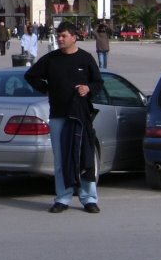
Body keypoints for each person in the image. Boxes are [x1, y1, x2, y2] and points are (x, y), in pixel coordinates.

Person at [25, 21, 103, 214]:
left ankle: (89, 198)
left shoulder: (85, 59)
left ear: (74, 37)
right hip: (59, 116)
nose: (60, 39)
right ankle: (63, 198)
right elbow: (31, 75)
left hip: (81, 116)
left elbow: (99, 82)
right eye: (58, 36)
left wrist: (88, 88)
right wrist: (47, 89)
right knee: (61, 159)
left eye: (64, 36)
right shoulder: (51, 59)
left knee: (84, 156)